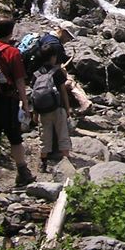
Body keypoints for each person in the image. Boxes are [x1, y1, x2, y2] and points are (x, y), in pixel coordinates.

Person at [0, 15, 35, 196]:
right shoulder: (12, 52)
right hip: (8, 100)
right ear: (11, 32)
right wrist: (25, 103)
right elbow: (20, 80)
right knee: (15, 138)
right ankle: (22, 173)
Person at [33, 44, 73, 173]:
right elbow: (63, 91)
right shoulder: (57, 72)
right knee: (62, 134)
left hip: (43, 111)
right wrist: (67, 108)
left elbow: (33, 95)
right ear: (53, 57)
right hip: (58, 108)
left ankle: (43, 164)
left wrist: (35, 113)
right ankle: (66, 161)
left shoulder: (36, 74)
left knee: (44, 137)